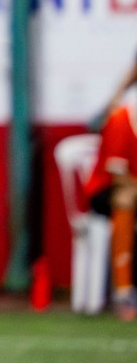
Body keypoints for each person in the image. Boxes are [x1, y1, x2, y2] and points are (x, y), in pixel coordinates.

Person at [85, 55, 137, 320]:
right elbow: (116, 172)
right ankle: (124, 291)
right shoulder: (121, 113)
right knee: (126, 197)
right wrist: (121, 88)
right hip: (109, 189)